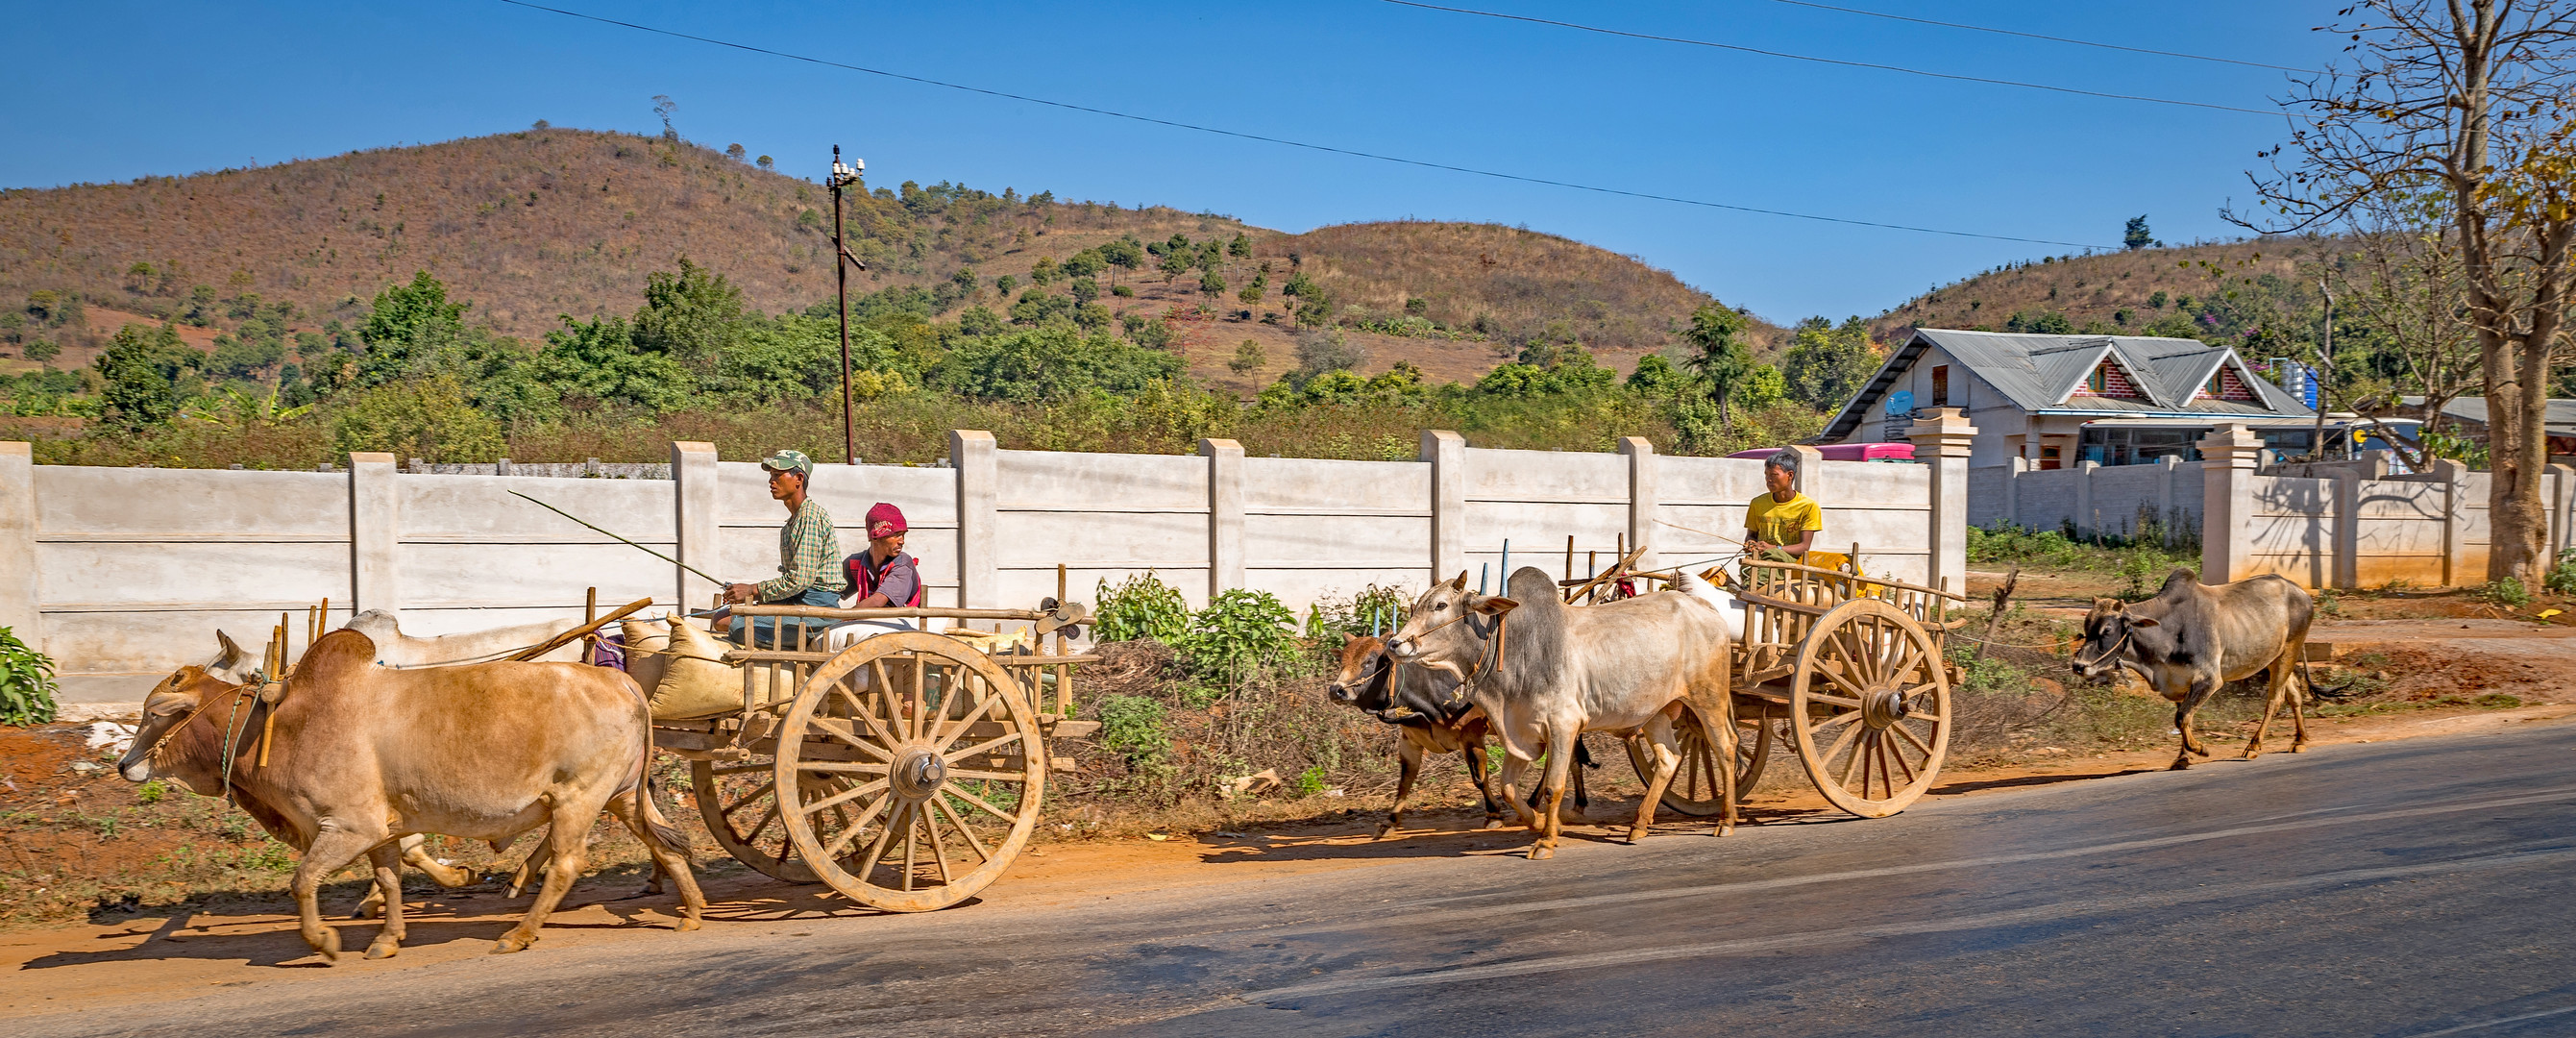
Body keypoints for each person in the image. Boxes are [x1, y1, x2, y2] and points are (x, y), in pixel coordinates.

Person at [724, 450, 848, 646]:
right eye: (770, 476)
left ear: (798, 479)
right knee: (723, 616)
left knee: (736, 626)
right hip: (798, 602)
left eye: (777, 475)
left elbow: (799, 580)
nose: (771, 481)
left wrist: (753, 590)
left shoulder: (810, 518)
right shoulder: (791, 524)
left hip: (816, 610)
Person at [1743, 448, 1822, 563]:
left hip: (1789, 562)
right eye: (1766, 475)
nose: (1768, 479)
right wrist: (1750, 544)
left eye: (1774, 475)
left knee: (1771, 556)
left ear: (1790, 475)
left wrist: (1774, 549)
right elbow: (1751, 535)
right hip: (1759, 560)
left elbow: (1804, 547)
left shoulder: (1808, 506)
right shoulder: (1757, 503)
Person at [845, 503, 924, 608]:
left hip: (903, 621)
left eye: (903, 535)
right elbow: (829, 590)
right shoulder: (854, 563)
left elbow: (877, 602)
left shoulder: (903, 564)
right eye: (896, 535)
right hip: (868, 620)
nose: (902, 541)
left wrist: (843, 617)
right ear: (875, 538)